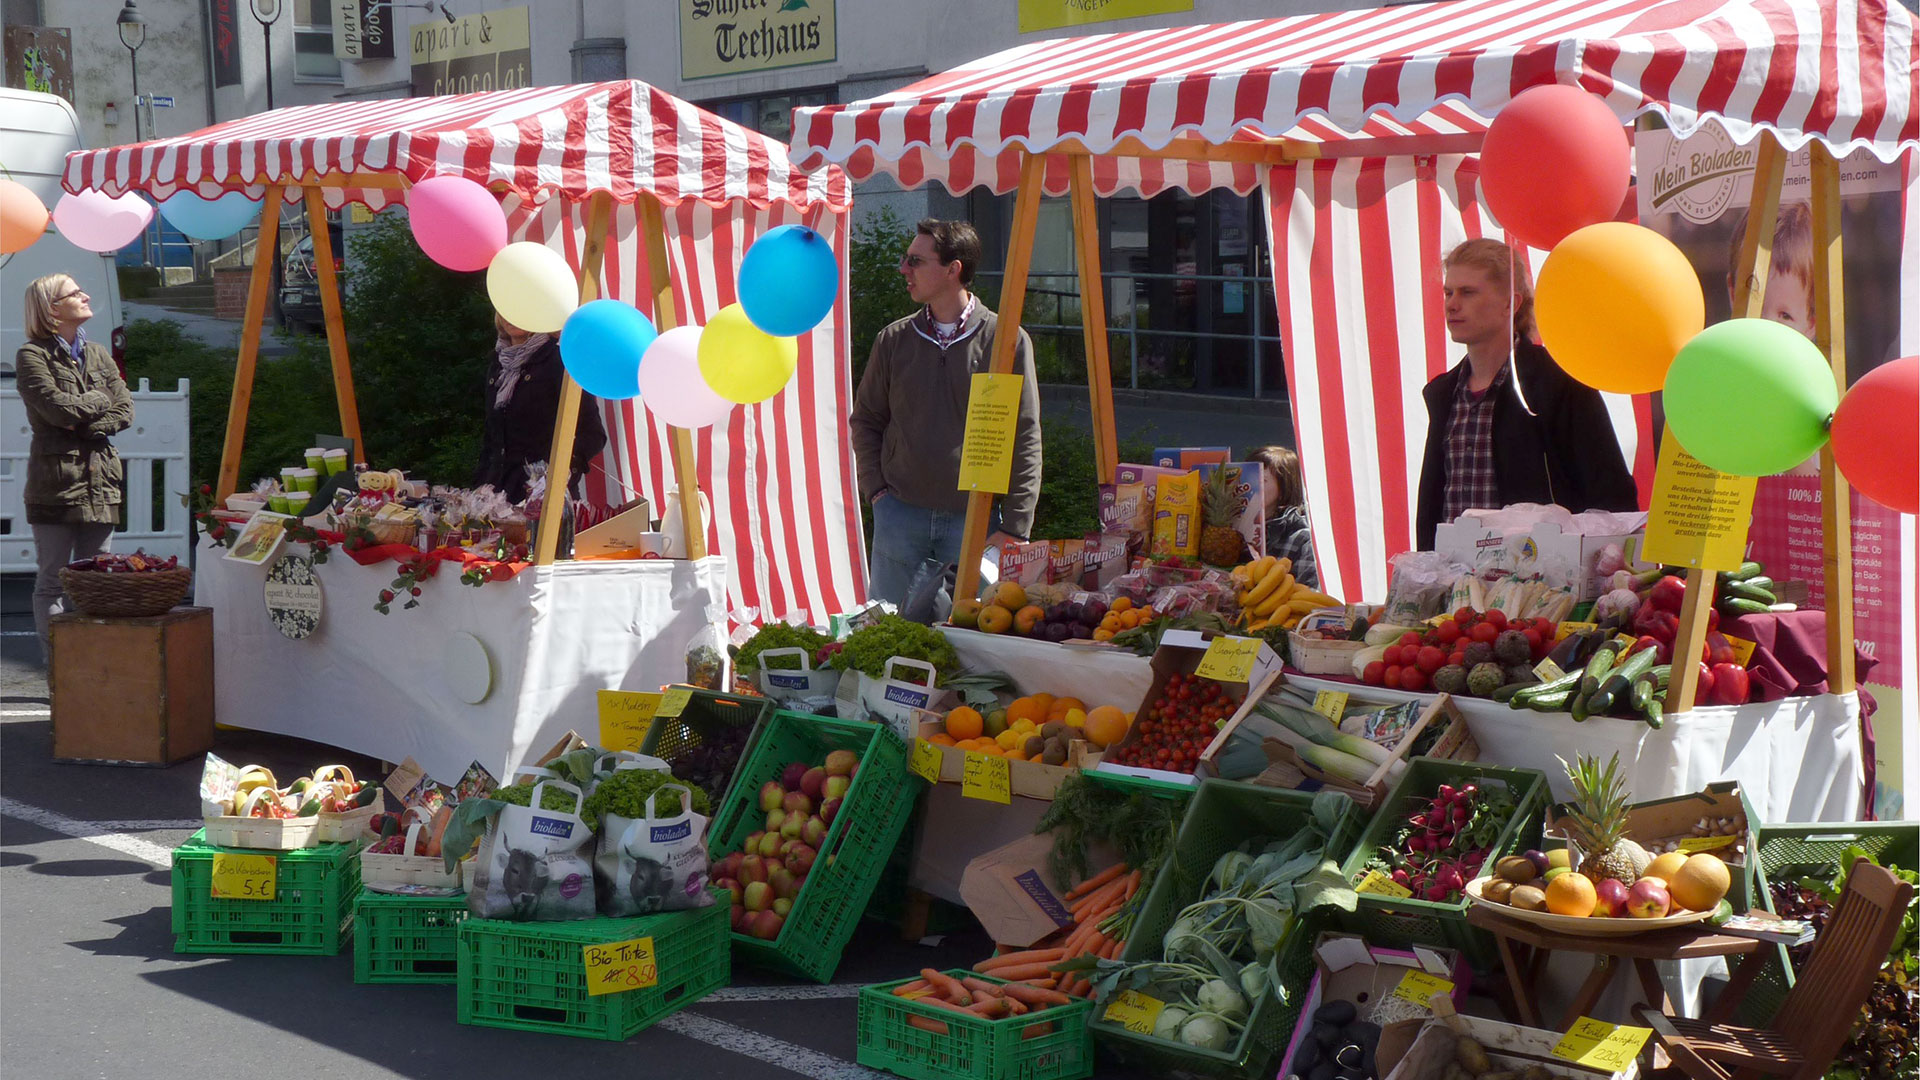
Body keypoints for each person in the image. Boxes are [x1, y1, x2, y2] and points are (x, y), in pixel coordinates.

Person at [850, 219, 1042, 604]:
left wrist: (1017, 526)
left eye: (915, 261)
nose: (904, 269)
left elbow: (1025, 434)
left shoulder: (1004, 341)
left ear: (953, 270)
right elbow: (866, 420)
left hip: (975, 518)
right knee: (887, 631)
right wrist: (877, 493)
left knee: (970, 641)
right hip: (899, 513)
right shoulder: (894, 339)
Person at [1414, 239, 1637, 550]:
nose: (1452, 304)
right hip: (1458, 582)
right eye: (1448, 292)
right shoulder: (1443, 394)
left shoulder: (1558, 383)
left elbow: (1611, 495)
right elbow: (1432, 508)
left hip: (1540, 581)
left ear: (1511, 303)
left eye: (1468, 292)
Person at [15, 274, 132, 662]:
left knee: (95, 582)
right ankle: (59, 671)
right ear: (52, 308)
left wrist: (85, 421)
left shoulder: (98, 353)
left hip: (102, 480)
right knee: (52, 581)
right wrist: (99, 399)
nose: (85, 295)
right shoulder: (32, 355)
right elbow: (56, 410)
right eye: (74, 293)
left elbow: (125, 410)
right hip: (56, 484)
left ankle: (90, 672)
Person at [474, 312, 607, 504]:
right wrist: (480, 484)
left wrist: (557, 474)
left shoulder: (560, 360)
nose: (512, 315)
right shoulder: (498, 366)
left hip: (544, 499)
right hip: (496, 499)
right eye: (506, 307)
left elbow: (593, 434)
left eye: (521, 307)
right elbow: (491, 438)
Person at [1249, 446, 1318, 591]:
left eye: (1262, 480)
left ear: (1283, 489)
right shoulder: (1226, 531)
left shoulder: (1303, 538)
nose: (1250, 485)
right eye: (1248, 476)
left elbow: (1309, 596)